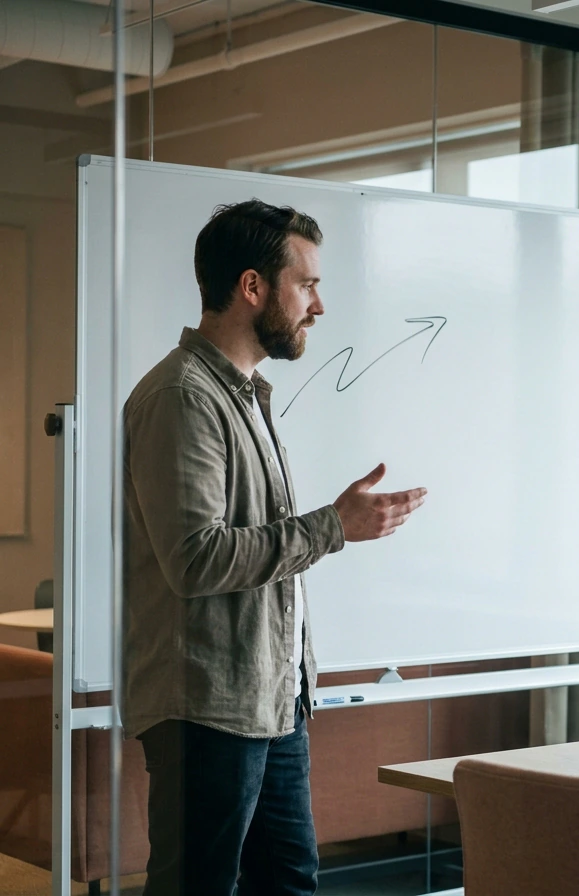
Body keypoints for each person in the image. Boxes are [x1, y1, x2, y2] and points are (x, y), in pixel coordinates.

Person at [122, 199, 427, 896]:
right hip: (208, 706)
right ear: (253, 287)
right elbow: (195, 558)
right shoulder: (182, 396)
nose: (317, 306)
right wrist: (333, 527)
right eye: (307, 284)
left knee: (288, 883)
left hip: (272, 700)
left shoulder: (246, 396)